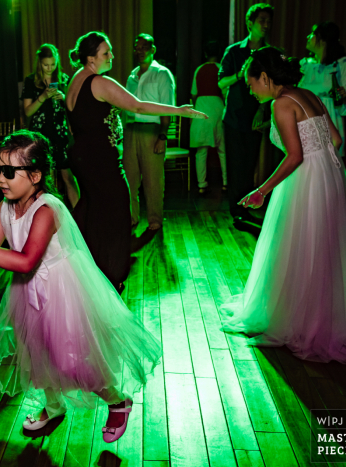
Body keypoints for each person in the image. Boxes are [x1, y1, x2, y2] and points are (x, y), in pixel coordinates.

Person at [0, 130, 161, 443]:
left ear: (35, 175)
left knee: (70, 359)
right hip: (27, 292)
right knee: (37, 354)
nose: (0, 179)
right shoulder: (5, 208)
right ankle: (53, 404)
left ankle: (118, 400)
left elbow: (25, 261)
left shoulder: (47, 210)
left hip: (61, 290)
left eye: (9, 172)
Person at [218, 47, 346, 363]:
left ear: (265, 77)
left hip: (306, 180)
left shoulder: (281, 104)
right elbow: (335, 140)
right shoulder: (309, 94)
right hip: (332, 177)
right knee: (327, 247)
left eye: (251, 82)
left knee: (301, 247)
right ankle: (330, 316)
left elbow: (294, 156)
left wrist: (262, 190)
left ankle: (302, 321)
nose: (250, 89)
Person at [64, 31, 206, 292]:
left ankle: (88, 270)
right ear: (91, 58)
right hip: (102, 161)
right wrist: (179, 111)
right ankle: (112, 273)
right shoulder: (98, 81)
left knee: (94, 211)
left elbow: (75, 127)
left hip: (83, 158)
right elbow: (137, 106)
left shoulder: (74, 80)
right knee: (118, 213)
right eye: (106, 53)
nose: (112, 56)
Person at [219, 3, 274, 223]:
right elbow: (221, 82)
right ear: (249, 23)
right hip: (233, 117)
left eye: (268, 21)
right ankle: (236, 210)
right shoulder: (233, 51)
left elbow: (273, 88)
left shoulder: (269, 54)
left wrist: (262, 111)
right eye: (262, 20)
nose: (266, 25)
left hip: (256, 117)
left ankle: (245, 206)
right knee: (235, 164)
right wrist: (239, 76)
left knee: (249, 164)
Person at [123, 34, 175, 230]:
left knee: (153, 179)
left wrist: (163, 135)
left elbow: (167, 107)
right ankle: (131, 217)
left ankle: (155, 219)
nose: (140, 50)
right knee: (129, 178)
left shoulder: (162, 74)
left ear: (153, 49)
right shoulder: (132, 75)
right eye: (137, 47)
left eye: (145, 47)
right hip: (131, 130)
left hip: (152, 130)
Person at [21, 44, 79, 207]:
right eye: (46, 65)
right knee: (43, 178)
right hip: (40, 135)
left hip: (60, 136)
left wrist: (65, 98)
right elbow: (27, 112)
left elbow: (73, 109)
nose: (49, 68)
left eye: (53, 64)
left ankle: (79, 217)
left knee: (68, 176)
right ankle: (47, 216)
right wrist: (43, 96)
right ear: (39, 63)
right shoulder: (31, 81)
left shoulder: (64, 79)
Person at [299, 22, 346, 156]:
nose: (308, 36)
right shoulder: (305, 65)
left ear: (323, 40)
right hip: (306, 119)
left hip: (328, 118)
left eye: (312, 34)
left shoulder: (342, 64)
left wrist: (344, 94)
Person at [190, 40, 228, 194]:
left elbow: (193, 93)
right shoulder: (221, 69)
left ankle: (201, 184)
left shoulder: (199, 70)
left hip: (201, 106)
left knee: (201, 150)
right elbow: (225, 93)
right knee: (222, 149)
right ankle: (226, 182)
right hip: (218, 107)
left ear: (205, 54)